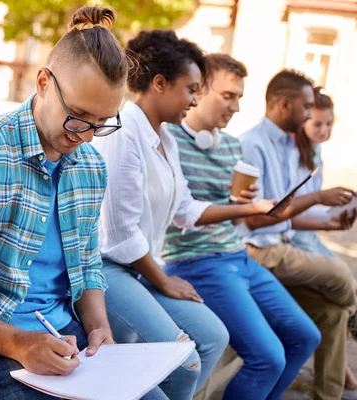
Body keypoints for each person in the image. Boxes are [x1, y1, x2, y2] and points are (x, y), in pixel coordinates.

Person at [0, 6, 167, 400]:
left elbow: (86, 266)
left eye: (102, 122)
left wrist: (99, 328)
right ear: (42, 82)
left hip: (62, 343)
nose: (86, 137)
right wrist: (20, 344)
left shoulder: (90, 165)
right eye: (77, 116)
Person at [93, 31, 280, 400]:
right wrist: (163, 280)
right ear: (159, 83)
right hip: (110, 269)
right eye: (191, 89)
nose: (195, 101)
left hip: (142, 268)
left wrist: (250, 208)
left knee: (213, 336)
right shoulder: (123, 132)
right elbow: (119, 235)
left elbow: (186, 209)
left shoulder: (166, 138)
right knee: (185, 361)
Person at [162, 54, 321, 400]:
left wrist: (243, 207)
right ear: (198, 91)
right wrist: (248, 207)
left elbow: (241, 219)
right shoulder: (169, 141)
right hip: (196, 261)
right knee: (267, 357)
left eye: (239, 98)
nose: (235, 106)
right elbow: (179, 215)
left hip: (238, 256)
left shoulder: (233, 147)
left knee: (306, 337)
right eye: (228, 95)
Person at [240, 69, 357, 400]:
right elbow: (257, 220)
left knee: (333, 312)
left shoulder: (289, 149)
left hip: (281, 245)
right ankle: (355, 321)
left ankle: (328, 395)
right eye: (307, 108)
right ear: (283, 104)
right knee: (341, 276)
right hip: (258, 250)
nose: (309, 115)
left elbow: (286, 218)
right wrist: (319, 198)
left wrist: (329, 222)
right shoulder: (252, 145)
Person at [291, 87, 357, 399]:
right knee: (345, 281)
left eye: (329, 124)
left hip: (310, 239)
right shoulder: (289, 151)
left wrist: (334, 215)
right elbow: (284, 211)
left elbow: (311, 208)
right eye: (317, 123)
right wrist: (326, 217)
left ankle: (331, 385)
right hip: (290, 243)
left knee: (337, 309)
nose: (324, 130)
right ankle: (346, 356)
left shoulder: (315, 153)